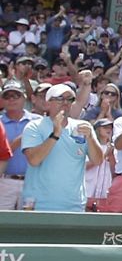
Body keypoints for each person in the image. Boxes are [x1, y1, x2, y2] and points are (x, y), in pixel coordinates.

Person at [21, 83, 103, 211]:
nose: (65, 102)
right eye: (59, 98)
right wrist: (55, 134)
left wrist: (91, 139)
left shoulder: (83, 126)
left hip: (74, 205)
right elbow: (34, 160)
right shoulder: (34, 126)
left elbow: (98, 160)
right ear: (48, 103)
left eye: (69, 99)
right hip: (40, 204)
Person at [0, 81, 40, 210]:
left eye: (16, 95)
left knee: (29, 226)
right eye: (7, 96)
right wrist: (15, 144)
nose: (11, 99)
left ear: (24, 98)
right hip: (4, 181)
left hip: (32, 182)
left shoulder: (38, 121)